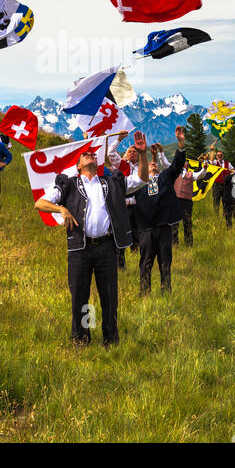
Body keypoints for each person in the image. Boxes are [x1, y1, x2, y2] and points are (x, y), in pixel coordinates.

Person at [34, 147, 135, 346]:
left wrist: (140, 155)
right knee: (81, 295)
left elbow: (140, 180)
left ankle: (110, 339)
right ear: (78, 165)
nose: (90, 154)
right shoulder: (69, 184)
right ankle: (82, 337)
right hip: (80, 248)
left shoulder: (109, 183)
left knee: (109, 295)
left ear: (97, 164)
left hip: (106, 246)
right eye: (85, 154)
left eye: (93, 154)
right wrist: (60, 208)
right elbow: (40, 203)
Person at [128, 128, 187, 295]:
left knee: (165, 261)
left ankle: (166, 291)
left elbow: (176, 165)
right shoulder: (138, 183)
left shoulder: (165, 178)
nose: (153, 165)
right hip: (145, 228)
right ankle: (144, 292)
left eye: (154, 164)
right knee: (145, 261)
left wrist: (181, 145)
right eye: (149, 164)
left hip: (163, 226)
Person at [172, 159, 196, 248]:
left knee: (187, 222)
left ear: (187, 165)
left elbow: (200, 175)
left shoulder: (191, 174)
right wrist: (161, 154)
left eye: (184, 163)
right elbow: (165, 163)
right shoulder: (174, 172)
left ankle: (189, 244)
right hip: (175, 200)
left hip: (187, 201)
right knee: (174, 223)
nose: (183, 164)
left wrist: (204, 169)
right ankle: (174, 244)